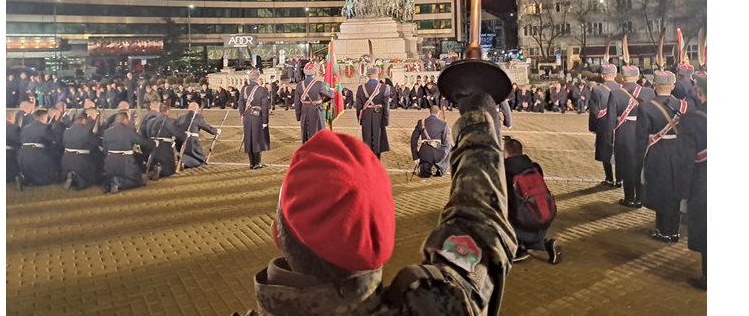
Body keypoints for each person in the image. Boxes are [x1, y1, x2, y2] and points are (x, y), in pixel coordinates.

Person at [238, 91, 516, 315]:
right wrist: (479, 126)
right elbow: (479, 234)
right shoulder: (440, 305)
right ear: (383, 238)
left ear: (276, 232)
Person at [640, 70, 696, 242]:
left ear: (655, 86)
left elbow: (641, 137)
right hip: (681, 152)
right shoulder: (686, 106)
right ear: (673, 86)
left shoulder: (646, 107)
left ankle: (663, 230)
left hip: (659, 152)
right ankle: (675, 230)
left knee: (661, 190)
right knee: (677, 191)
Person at [503, 136, 562, 264]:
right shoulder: (535, 167)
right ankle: (546, 244)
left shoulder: (506, 171)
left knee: (501, 213)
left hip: (524, 219)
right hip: (544, 214)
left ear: (506, 153)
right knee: (524, 216)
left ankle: (518, 248)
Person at [614, 65, 655, 206]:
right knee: (641, 165)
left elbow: (611, 119)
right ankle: (641, 198)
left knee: (627, 166)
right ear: (637, 77)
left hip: (624, 133)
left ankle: (629, 198)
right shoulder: (649, 92)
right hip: (644, 132)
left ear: (623, 77)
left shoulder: (616, 93)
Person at [685, 73, 707, 290]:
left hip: (704, 182)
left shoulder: (694, 119)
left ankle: (707, 277)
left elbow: (685, 159)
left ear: (700, 92)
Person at [590, 64, 621, 187]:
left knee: (605, 151)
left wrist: (593, 127)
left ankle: (609, 178)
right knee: (619, 152)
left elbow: (594, 111)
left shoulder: (597, 90)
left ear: (602, 75)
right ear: (615, 75)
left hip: (603, 123)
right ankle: (620, 179)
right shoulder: (621, 88)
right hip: (619, 124)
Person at [15, 109, 61, 189]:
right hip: (37, 154)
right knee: (47, 178)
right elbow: (54, 140)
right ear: (44, 118)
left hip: (22, 154)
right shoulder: (45, 127)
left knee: (31, 173)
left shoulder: (25, 128)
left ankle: (24, 178)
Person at [101, 111, 145, 193]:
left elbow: (105, 150)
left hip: (110, 162)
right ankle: (117, 182)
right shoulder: (128, 130)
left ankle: (109, 183)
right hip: (126, 162)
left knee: (108, 176)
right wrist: (153, 143)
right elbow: (141, 141)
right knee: (137, 181)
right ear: (125, 120)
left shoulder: (107, 132)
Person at [61, 110, 104, 191]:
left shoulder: (66, 131)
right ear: (83, 120)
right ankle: (77, 179)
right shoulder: (86, 131)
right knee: (93, 178)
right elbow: (98, 142)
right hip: (81, 161)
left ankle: (71, 175)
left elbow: (64, 144)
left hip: (66, 160)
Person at [355, 66, 390, 158]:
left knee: (366, 138)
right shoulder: (384, 87)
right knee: (378, 138)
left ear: (368, 75)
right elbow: (386, 106)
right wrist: (386, 120)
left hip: (366, 115)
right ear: (376, 74)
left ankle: (367, 158)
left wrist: (360, 118)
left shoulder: (360, 88)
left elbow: (358, 106)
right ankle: (377, 159)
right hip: (379, 115)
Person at [295, 62, 335, 143]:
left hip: (304, 111)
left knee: (306, 133)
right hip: (316, 110)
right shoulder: (319, 84)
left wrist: (299, 116)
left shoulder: (299, 85)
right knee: (318, 132)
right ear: (314, 72)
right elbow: (330, 96)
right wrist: (331, 90)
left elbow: (297, 103)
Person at [144, 103, 186, 180]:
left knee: (152, 163)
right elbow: (180, 135)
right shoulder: (170, 121)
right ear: (167, 111)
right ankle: (161, 169)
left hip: (151, 148)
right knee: (170, 170)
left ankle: (154, 168)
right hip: (164, 148)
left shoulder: (150, 121)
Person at [239, 70, 271, 170]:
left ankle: (251, 163)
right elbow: (265, 107)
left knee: (248, 138)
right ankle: (257, 163)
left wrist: (242, 115)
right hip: (257, 116)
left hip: (247, 116)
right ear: (258, 78)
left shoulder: (244, 89)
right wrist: (265, 121)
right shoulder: (262, 90)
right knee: (257, 139)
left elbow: (240, 104)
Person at [175, 102, 220, 169]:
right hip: (191, 142)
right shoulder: (197, 117)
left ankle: (183, 160)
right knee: (201, 160)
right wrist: (216, 131)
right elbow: (207, 128)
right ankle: (184, 163)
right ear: (196, 109)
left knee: (185, 152)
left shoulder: (180, 117)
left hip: (179, 142)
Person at [410, 105, 451, 177]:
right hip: (438, 155)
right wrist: (446, 129)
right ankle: (440, 167)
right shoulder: (443, 124)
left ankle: (425, 168)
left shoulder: (421, 122)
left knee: (424, 169)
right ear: (438, 112)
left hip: (424, 154)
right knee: (449, 145)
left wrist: (415, 156)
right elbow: (444, 142)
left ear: (429, 112)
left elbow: (413, 140)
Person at [6, 110, 21, 182]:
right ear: (10, 118)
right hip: (9, 154)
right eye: (14, 118)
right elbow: (18, 141)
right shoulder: (14, 128)